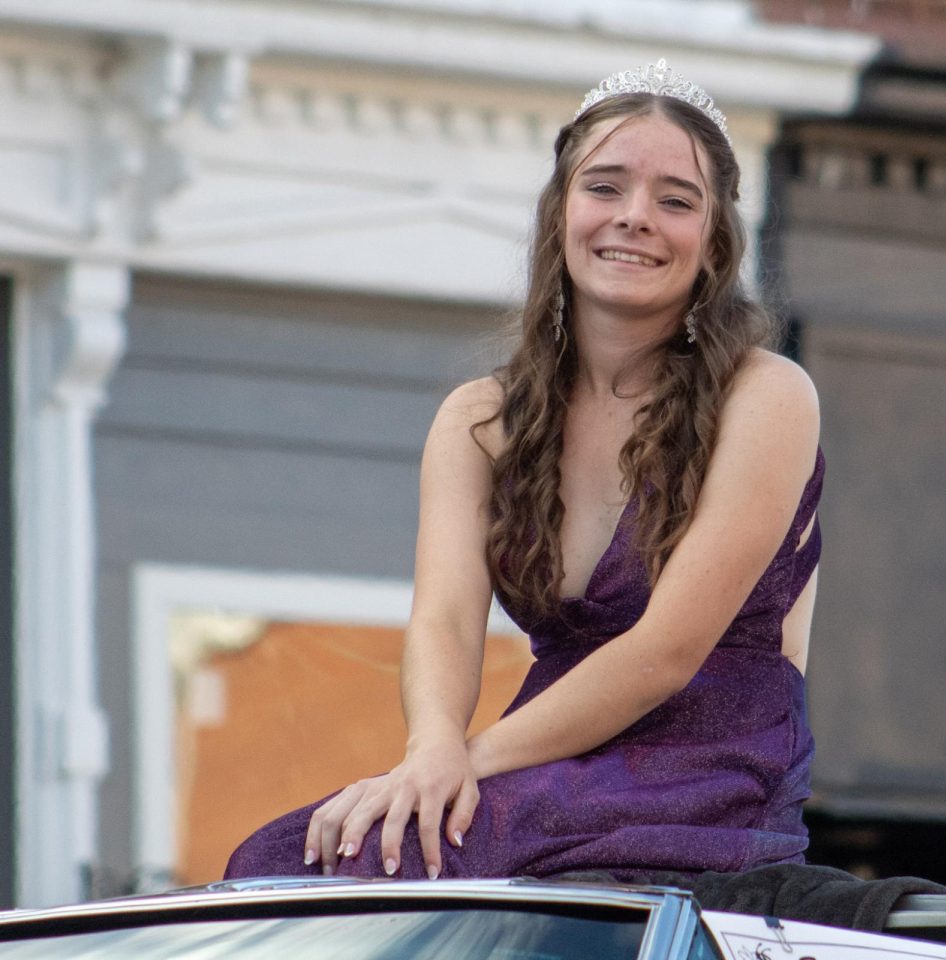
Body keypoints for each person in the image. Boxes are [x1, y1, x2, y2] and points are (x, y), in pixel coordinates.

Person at [224, 59, 823, 885]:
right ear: (559, 215)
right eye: (605, 187)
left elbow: (664, 652)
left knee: (370, 858)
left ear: (715, 241)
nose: (637, 217)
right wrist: (430, 750)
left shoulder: (767, 395)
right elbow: (443, 622)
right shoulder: (479, 421)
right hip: (544, 761)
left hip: (707, 770)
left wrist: (467, 762)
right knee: (286, 858)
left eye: (676, 200)